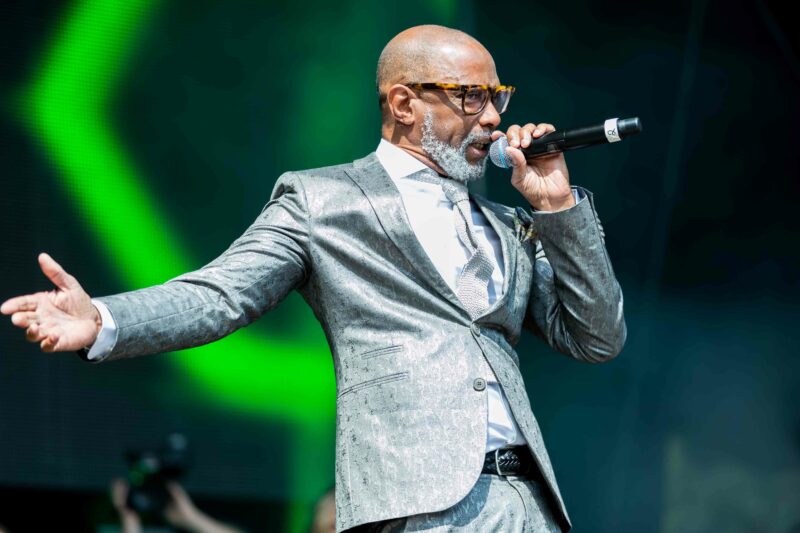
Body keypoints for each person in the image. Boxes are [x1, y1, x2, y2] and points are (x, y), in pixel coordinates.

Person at [1, 24, 625, 532]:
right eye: (471, 97)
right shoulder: (322, 200)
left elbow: (596, 337)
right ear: (403, 103)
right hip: (420, 503)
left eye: (498, 98)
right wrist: (103, 319)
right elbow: (222, 294)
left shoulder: (511, 222)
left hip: (529, 502)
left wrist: (557, 208)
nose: (491, 118)